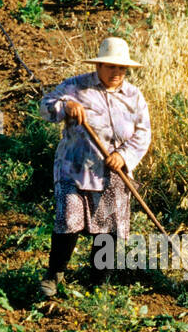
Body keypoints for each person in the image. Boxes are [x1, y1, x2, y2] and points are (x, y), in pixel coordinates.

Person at [38, 37, 151, 298]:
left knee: (109, 226)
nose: (117, 73)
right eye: (111, 67)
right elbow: (45, 107)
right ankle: (54, 275)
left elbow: (143, 133)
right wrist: (65, 105)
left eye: (121, 68)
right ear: (98, 65)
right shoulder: (76, 86)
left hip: (113, 173)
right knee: (69, 219)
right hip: (75, 169)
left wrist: (123, 155)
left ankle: (99, 283)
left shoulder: (133, 96)